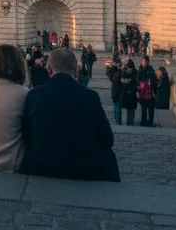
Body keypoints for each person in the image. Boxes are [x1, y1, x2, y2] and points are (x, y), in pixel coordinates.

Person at [21, 49, 120, 182]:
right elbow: (107, 140)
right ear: (77, 71)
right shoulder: (90, 97)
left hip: (43, 167)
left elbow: (26, 137)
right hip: (83, 169)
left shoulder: (35, 95)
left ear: (49, 70)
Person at [136, 56, 157, 126]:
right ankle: (143, 121)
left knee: (151, 109)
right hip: (143, 92)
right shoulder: (140, 69)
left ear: (147, 62)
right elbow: (137, 79)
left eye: (144, 61)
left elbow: (154, 80)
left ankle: (150, 122)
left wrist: (151, 84)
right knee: (143, 109)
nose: (143, 63)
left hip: (150, 92)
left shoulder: (150, 69)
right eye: (142, 61)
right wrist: (140, 85)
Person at [118, 60, 139, 126]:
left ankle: (129, 122)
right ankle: (129, 122)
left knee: (130, 110)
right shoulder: (134, 73)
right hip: (130, 95)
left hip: (129, 95)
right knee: (130, 110)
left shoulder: (128, 73)